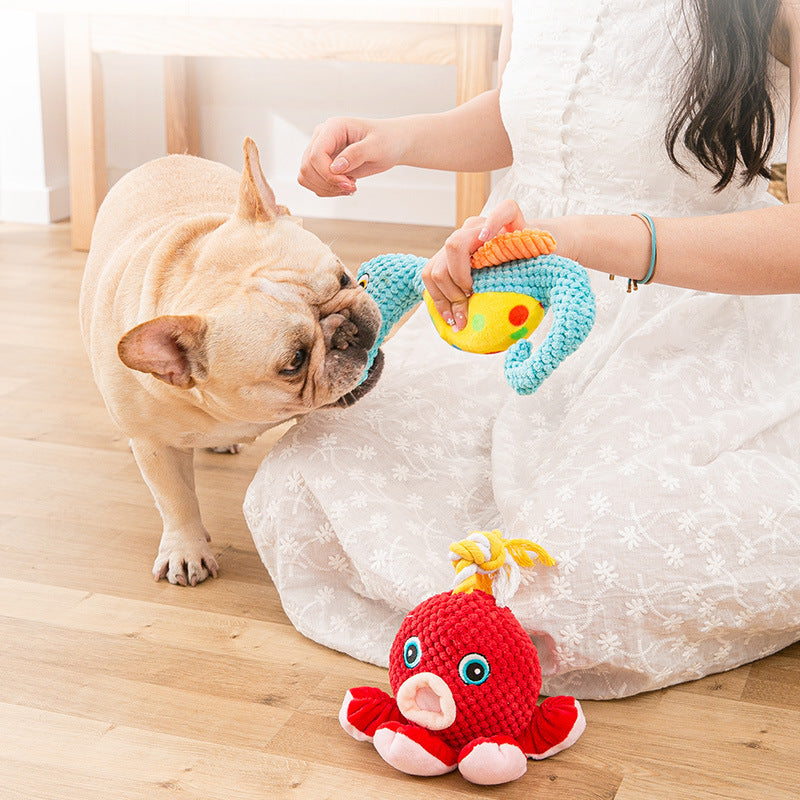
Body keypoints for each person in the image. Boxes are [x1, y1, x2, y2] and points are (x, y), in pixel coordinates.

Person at [244, 0, 800, 699]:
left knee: (588, 558)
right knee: (304, 484)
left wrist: (580, 240)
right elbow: (523, 111)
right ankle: (482, 643)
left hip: (691, 303)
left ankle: (492, 643)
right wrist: (398, 137)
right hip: (516, 300)